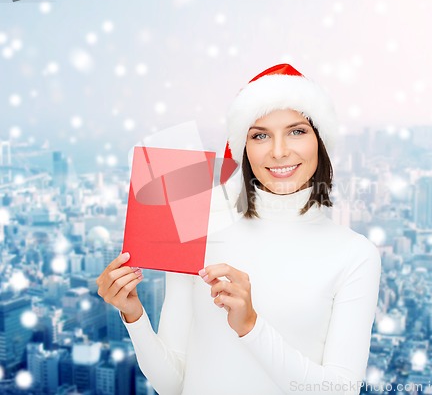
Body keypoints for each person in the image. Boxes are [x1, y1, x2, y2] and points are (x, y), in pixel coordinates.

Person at [96, 63, 382, 395]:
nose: (278, 151)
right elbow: (173, 384)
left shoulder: (354, 255)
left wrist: (251, 326)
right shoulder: (200, 225)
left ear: (320, 139)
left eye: (297, 131)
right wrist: (134, 315)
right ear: (243, 146)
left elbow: (340, 390)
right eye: (260, 135)